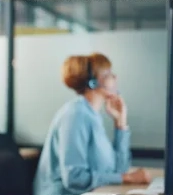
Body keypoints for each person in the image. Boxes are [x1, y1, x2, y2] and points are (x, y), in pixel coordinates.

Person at [33, 53, 151, 195]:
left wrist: (120, 123)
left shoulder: (92, 116)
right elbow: (74, 178)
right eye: (108, 74)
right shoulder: (75, 115)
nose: (115, 78)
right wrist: (127, 178)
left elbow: (120, 169)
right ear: (93, 83)